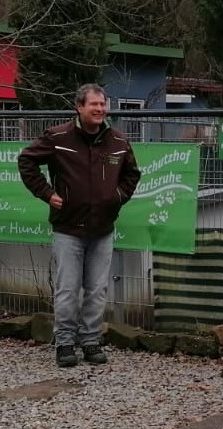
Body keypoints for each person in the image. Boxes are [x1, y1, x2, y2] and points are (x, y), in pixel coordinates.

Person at [18, 83, 141, 367]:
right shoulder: (58, 137)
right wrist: (46, 193)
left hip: (102, 230)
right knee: (67, 289)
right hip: (68, 230)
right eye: (93, 105)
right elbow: (26, 161)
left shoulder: (118, 142)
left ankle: (90, 341)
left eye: (103, 104)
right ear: (79, 107)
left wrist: (117, 197)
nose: (99, 109)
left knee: (97, 290)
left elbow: (132, 175)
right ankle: (64, 344)